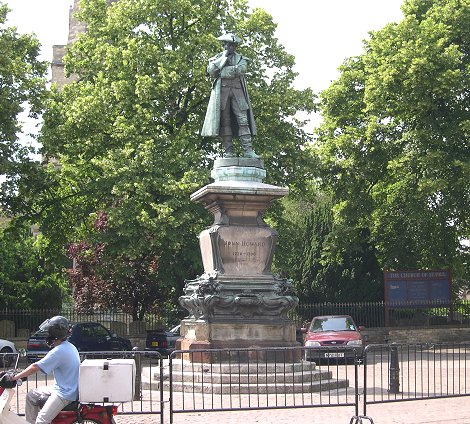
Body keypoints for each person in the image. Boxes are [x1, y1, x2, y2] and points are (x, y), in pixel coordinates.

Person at [11, 316, 80, 424]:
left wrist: (15, 377)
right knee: (31, 395)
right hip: (64, 387)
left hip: (65, 393)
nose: (46, 335)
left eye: (48, 332)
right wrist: (21, 374)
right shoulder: (69, 346)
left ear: (54, 334)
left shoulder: (59, 350)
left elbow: (35, 367)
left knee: (42, 420)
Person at [201, 33, 259, 159]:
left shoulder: (241, 58)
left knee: (243, 121)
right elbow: (211, 71)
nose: (232, 47)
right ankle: (229, 151)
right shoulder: (216, 58)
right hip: (222, 94)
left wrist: (223, 71)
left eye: (234, 45)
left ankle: (248, 151)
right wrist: (223, 59)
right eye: (230, 45)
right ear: (225, 45)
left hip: (238, 93)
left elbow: (241, 70)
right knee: (225, 122)